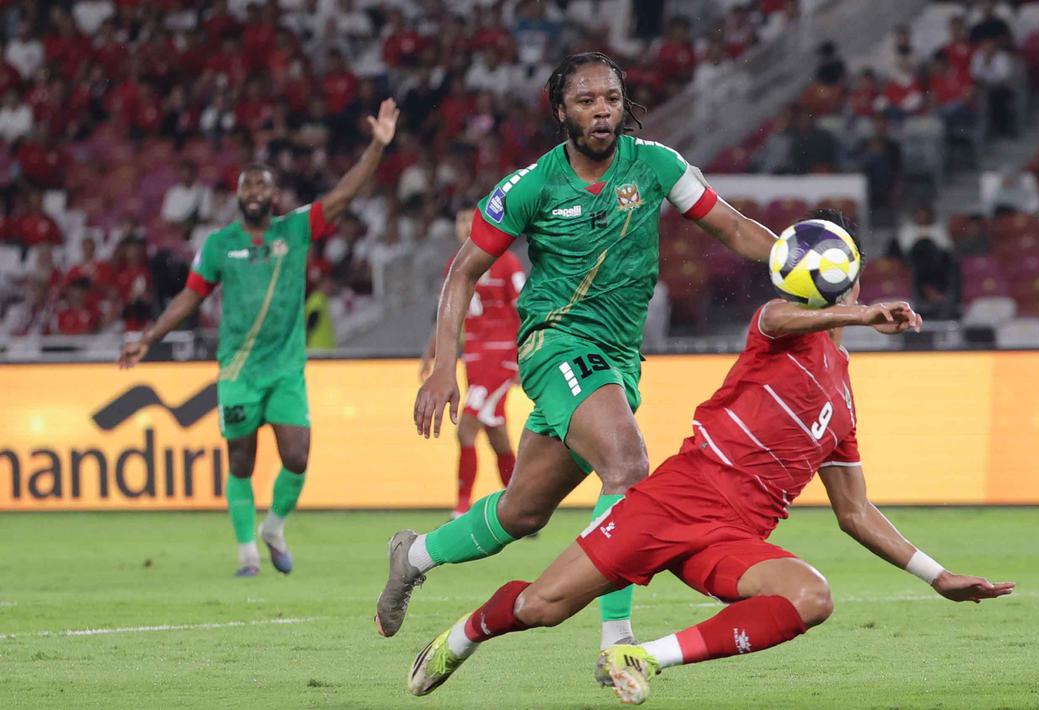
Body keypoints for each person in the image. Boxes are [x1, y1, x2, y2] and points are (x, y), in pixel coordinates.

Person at [406, 270, 1014, 703]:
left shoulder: (843, 406)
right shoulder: (782, 332)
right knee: (541, 607)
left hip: (728, 539)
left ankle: (643, 656)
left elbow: (855, 512)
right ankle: (462, 636)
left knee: (812, 597)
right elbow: (771, 315)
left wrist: (938, 576)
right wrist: (854, 314)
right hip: (672, 502)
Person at [375, 53, 777, 676]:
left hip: (616, 360)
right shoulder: (532, 184)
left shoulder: (657, 165)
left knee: (521, 512)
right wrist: (441, 365)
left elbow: (730, 228)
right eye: (586, 100)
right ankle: (615, 639)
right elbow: (463, 272)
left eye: (611, 99)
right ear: (561, 110)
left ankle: (416, 555)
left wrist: (798, 262)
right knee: (628, 463)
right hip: (554, 344)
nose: (601, 110)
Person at [118, 99, 400, 576]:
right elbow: (190, 298)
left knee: (297, 454)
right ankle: (247, 551)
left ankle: (274, 526)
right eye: (246, 184)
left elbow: (343, 195)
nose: (253, 191)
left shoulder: (295, 228)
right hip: (238, 370)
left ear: (275, 196)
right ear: (237, 194)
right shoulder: (219, 244)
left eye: (262, 185)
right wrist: (149, 338)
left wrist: (377, 145)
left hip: (285, 368)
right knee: (242, 461)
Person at [419, 208, 526, 519]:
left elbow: (524, 308)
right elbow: (450, 314)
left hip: (501, 359)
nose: (464, 225)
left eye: (470, 219)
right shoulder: (455, 266)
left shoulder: (507, 262)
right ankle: (522, 507)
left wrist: (522, 356)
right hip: (475, 359)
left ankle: (462, 505)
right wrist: (432, 353)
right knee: (497, 434)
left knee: (466, 429)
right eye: (460, 220)